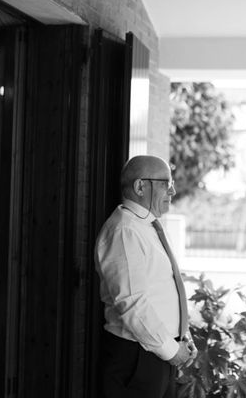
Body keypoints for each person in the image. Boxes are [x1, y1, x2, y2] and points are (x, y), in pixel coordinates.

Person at [94, 155, 198, 398]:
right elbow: (133, 304)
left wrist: (183, 337)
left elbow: (162, 291)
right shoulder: (124, 230)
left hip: (155, 352)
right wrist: (172, 351)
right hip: (136, 358)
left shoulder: (146, 227)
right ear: (140, 186)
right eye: (165, 183)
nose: (172, 191)